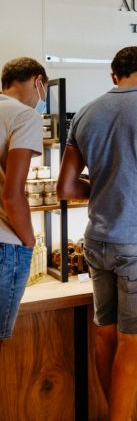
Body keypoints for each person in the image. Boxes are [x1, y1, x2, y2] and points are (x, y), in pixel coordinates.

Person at [57, 46, 137, 421]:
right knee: (132, 342)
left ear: (113, 76)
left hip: (97, 241)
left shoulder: (86, 112)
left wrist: (101, 190)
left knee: (105, 332)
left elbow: (66, 187)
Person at [0, 57, 48, 347]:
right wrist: (29, 241)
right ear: (37, 81)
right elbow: (13, 193)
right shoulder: (24, 116)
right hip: (5, 241)